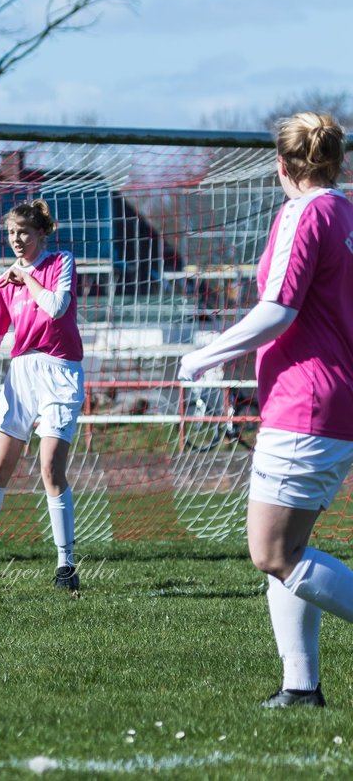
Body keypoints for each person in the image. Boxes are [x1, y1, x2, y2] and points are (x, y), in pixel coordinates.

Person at [179, 112, 353, 708]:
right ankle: (301, 687)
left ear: (281, 166)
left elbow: (278, 309)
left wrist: (206, 356)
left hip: (305, 402)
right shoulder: (346, 213)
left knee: (272, 553)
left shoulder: (302, 213)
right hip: (329, 401)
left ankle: (301, 685)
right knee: (289, 553)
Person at [0, 198, 85, 591]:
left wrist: (26, 278)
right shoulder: (2, 284)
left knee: (50, 469)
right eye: (11, 233)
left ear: (41, 233)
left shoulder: (61, 262)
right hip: (21, 373)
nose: (16, 239)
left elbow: (58, 307)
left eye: (24, 232)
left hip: (60, 372)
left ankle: (66, 565)